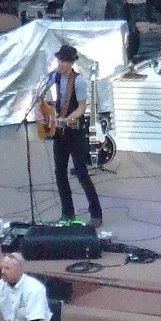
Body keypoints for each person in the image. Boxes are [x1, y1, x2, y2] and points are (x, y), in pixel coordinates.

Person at [43, 44, 103, 228]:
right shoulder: (55, 77)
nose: (60, 64)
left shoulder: (78, 81)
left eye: (63, 61)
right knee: (60, 173)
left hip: (75, 131)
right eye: (59, 60)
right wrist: (47, 110)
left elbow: (82, 107)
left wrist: (67, 119)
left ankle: (96, 213)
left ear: (70, 63)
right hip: (60, 132)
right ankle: (67, 212)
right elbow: (45, 96)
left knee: (81, 172)